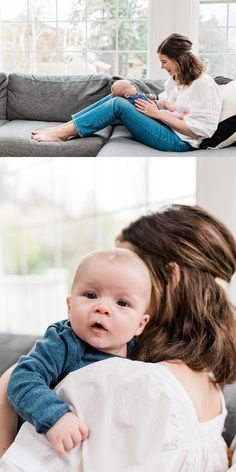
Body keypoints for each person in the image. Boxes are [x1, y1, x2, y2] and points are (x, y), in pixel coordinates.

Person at [0, 204, 236, 471]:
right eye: (92, 294)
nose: (103, 307)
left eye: (122, 298)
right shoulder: (211, 388)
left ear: (171, 278)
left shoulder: (129, 383)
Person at [5, 248, 152, 456]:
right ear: (70, 306)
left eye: (122, 303)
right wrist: (55, 417)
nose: (102, 308)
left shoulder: (140, 354)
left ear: (140, 324)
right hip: (46, 452)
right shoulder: (64, 342)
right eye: (91, 295)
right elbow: (23, 378)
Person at [31, 33, 222, 152]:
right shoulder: (177, 78)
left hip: (179, 141)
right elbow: (166, 98)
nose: (162, 66)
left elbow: (202, 131)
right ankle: (66, 126)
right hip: (165, 124)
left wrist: (158, 114)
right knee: (118, 96)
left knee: (117, 105)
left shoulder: (204, 85)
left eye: (164, 61)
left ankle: (63, 134)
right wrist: (154, 100)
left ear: (179, 59)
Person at [111, 79, 187, 119]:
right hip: (152, 110)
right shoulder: (130, 100)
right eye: (131, 87)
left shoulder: (136, 94)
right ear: (127, 95)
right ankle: (177, 116)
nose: (134, 86)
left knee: (164, 102)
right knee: (165, 112)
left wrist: (149, 96)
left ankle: (175, 109)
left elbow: (143, 95)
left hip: (154, 104)